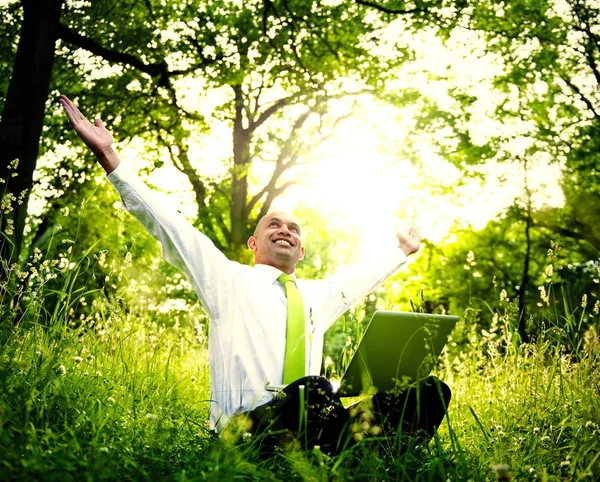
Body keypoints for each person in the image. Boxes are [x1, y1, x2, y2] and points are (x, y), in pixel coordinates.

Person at [59, 94, 451, 455]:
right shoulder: (227, 280)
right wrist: (109, 155)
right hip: (246, 432)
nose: (284, 229)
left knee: (430, 392)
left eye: (294, 229)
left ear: (301, 250)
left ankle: (354, 458)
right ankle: (342, 454)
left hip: (310, 420)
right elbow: (171, 226)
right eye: (273, 225)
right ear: (253, 243)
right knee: (312, 392)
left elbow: (359, 280)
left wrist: (402, 250)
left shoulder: (318, 296)